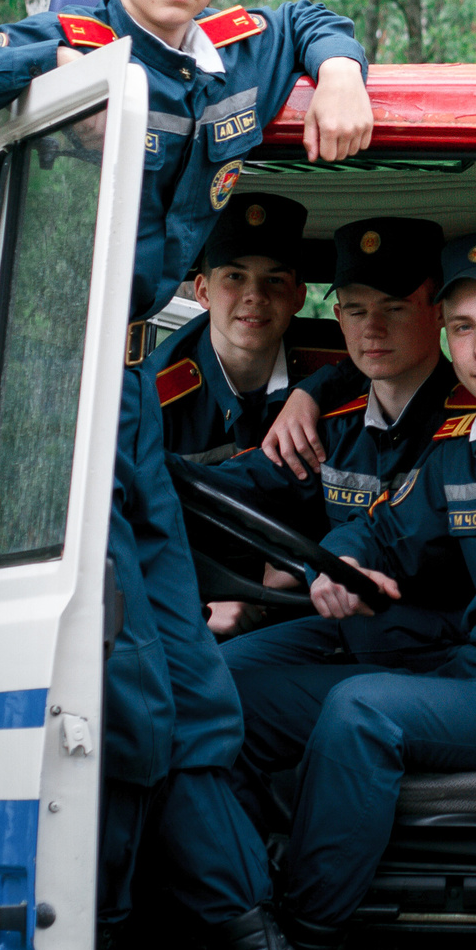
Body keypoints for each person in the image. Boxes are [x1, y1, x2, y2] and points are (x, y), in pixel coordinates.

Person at [0, 0, 394, 950]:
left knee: (197, 695)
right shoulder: (77, 56)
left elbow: (310, 15)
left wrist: (343, 71)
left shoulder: (237, 52)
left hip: (126, 412)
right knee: (113, 695)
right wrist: (36, 53)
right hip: (48, 403)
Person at [242, 232, 476, 950]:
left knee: (362, 711)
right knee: (237, 698)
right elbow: (385, 528)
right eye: (464, 328)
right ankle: (238, 921)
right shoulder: (457, 442)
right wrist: (344, 557)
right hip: (474, 671)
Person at [213, 215, 476, 677]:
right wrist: (139, 474)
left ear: (438, 311)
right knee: (220, 675)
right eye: (356, 311)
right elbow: (241, 485)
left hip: (445, 645)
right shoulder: (331, 426)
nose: (371, 328)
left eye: (394, 308)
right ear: (338, 318)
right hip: (348, 629)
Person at [145, 193, 346, 636]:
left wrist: (312, 391)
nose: (254, 296)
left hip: (316, 600)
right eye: (235, 276)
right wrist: (200, 605)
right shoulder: (155, 395)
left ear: (298, 296)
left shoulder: (336, 371)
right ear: (202, 291)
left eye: (274, 280)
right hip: (188, 609)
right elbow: (137, 524)